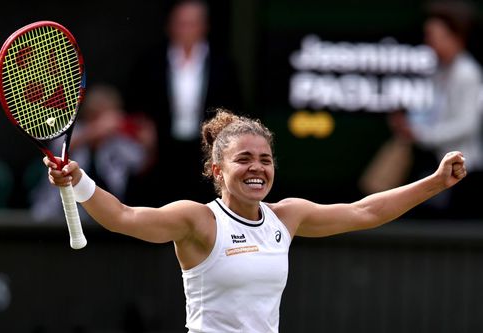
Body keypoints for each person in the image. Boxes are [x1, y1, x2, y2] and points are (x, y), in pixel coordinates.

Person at [43, 108, 466, 332]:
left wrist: (434, 182)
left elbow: (365, 210)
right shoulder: (197, 221)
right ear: (217, 170)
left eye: (265, 159)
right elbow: (124, 217)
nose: (256, 168)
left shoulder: (288, 217)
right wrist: (80, 180)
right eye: (243, 159)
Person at [125, 0, 243, 205]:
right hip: (161, 151)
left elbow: (234, 107)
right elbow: (135, 102)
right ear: (170, 26)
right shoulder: (152, 61)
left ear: (204, 27)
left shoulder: (222, 64)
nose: (186, 29)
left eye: (192, 23)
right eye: (181, 23)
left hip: (205, 149)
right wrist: (144, 128)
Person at [388, 0, 483, 218]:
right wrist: (412, 126)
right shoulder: (441, 72)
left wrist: (422, 133)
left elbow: (468, 124)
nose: (428, 42)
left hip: (464, 172)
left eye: (433, 35)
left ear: (454, 37)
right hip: (442, 166)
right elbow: (435, 113)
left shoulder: (466, 73)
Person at [30, 83, 156, 222]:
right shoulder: (72, 132)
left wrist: (149, 146)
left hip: (105, 219)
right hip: (57, 216)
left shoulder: (118, 142)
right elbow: (57, 151)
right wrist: (95, 131)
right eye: (98, 115)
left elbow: (141, 165)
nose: (106, 122)